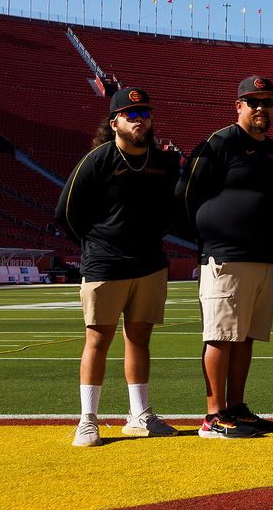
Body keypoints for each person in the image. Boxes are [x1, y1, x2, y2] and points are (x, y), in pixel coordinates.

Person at [55, 88, 180, 447]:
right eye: (130, 114)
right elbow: (65, 211)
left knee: (139, 339)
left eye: (144, 113)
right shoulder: (98, 159)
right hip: (105, 265)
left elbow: (174, 210)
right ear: (114, 123)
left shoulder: (161, 162)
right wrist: (96, 243)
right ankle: (88, 420)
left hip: (150, 264)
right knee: (98, 338)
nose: (140, 120)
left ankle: (139, 415)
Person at [178, 76, 273, 439]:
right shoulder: (220, 143)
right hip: (226, 257)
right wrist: (210, 235)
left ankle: (236, 407)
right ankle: (212, 416)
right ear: (238, 105)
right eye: (253, 101)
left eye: (267, 101)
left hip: (262, 258)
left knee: (245, 337)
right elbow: (186, 193)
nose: (261, 108)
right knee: (220, 335)